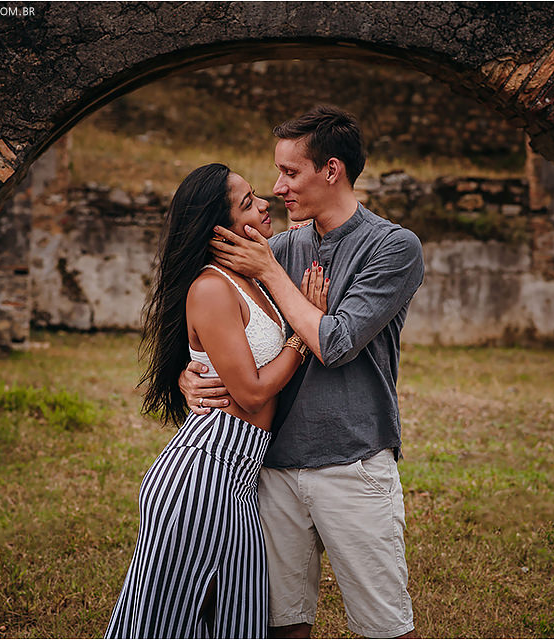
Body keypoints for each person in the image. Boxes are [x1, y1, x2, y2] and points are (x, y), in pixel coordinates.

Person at [180, 106, 425, 638]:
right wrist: (192, 372)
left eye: (290, 173)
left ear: (331, 170)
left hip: (353, 461)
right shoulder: (280, 248)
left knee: (385, 626)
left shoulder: (394, 248)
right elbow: (217, 310)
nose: (278, 187)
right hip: (269, 471)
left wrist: (270, 270)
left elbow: (335, 343)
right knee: (280, 624)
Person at [105, 163, 329, 639]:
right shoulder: (210, 288)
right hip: (205, 474)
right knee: (169, 622)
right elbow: (249, 392)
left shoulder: (257, 279)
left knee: (234, 618)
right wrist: (303, 339)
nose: (264, 202)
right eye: (248, 203)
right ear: (219, 229)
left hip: (242, 483)